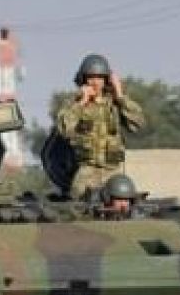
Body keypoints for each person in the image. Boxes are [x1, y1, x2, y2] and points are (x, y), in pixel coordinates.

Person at [56, 54, 145, 198]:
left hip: (113, 171)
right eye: (90, 77)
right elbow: (64, 129)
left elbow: (138, 123)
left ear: (106, 80)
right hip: (87, 170)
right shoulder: (75, 104)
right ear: (83, 80)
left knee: (119, 202)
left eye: (99, 78)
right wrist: (81, 103)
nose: (95, 82)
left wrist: (120, 95)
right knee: (78, 202)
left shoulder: (115, 104)